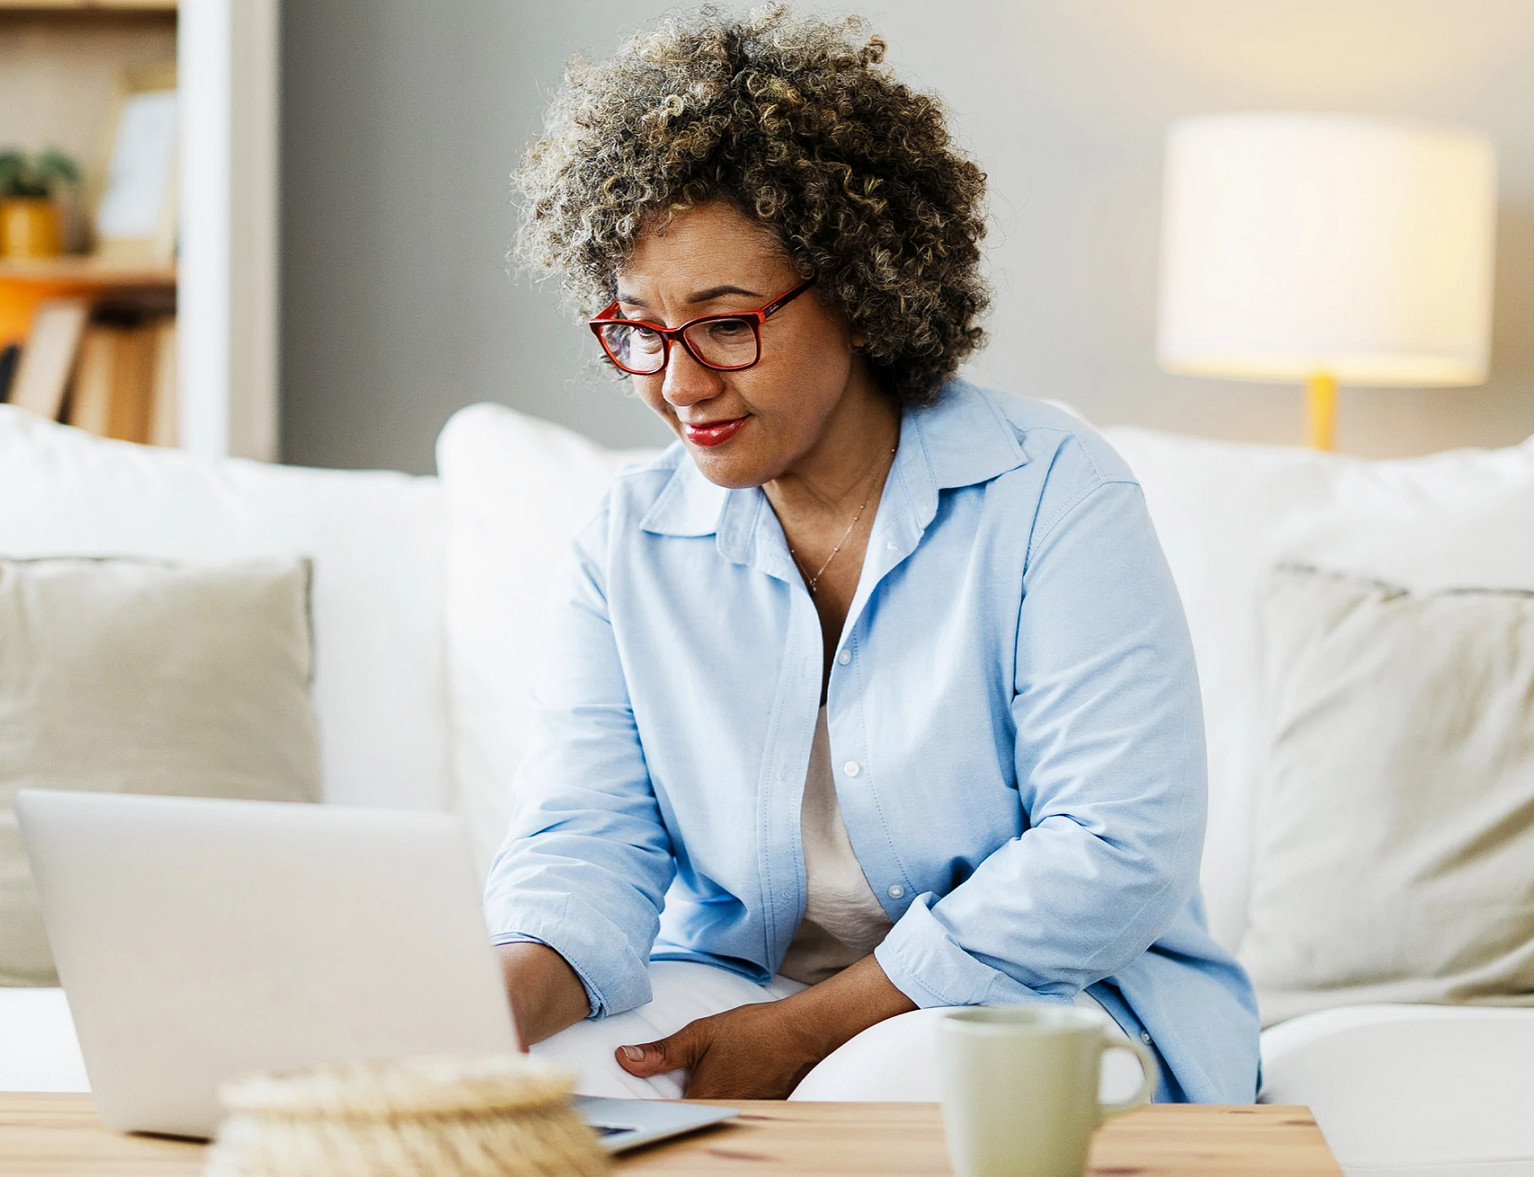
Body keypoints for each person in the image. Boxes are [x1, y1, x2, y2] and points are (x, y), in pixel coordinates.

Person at [485, 4, 1259, 1104]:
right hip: (732, 985)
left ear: (857, 290)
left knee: (884, 1091)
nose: (677, 382)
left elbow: (1112, 848)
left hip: (1035, 998)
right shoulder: (627, 543)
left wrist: (805, 1032)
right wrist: (477, 1011)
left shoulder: (1049, 492)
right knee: (531, 1087)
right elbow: (585, 844)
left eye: (724, 323)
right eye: (637, 329)